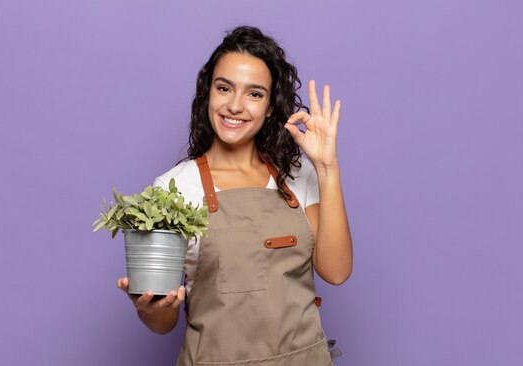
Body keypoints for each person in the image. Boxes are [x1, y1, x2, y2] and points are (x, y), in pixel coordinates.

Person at [116, 25, 353, 365]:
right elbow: (163, 323)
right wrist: (150, 308)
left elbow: (336, 271)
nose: (235, 105)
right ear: (208, 92)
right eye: (224, 88)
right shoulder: (174, 188)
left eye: (255, 94)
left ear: (271, 106)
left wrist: (327, 167)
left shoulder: (298, 175)